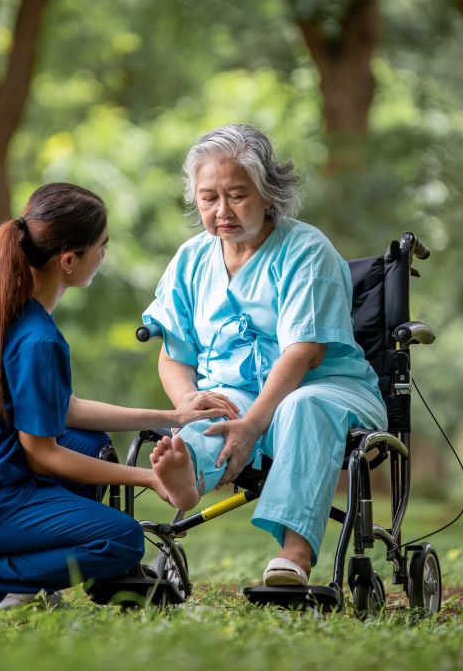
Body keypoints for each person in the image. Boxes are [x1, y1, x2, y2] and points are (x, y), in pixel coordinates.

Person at [0, 182, 233, 615]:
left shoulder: (6, 314)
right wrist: (149, 479)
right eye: (101, 247)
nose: (104, 256)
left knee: (90, 443)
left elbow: (65, 408)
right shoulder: (37, 339)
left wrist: (173, 413)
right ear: (69, 260)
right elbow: (43, 456)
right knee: (122, 540)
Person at [144, 124, 387, 587]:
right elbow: (174, 355)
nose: (222, 211)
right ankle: (186, 474)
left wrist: (254, 422)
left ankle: (294, 555)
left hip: (327, 391)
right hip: (234, 393)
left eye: (237, 195)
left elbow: (304, 354)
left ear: (269, 194)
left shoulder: (306, 250)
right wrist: (187, 400)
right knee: (207, 416)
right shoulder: (191, 260)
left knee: (301, 405)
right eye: (208, 197)